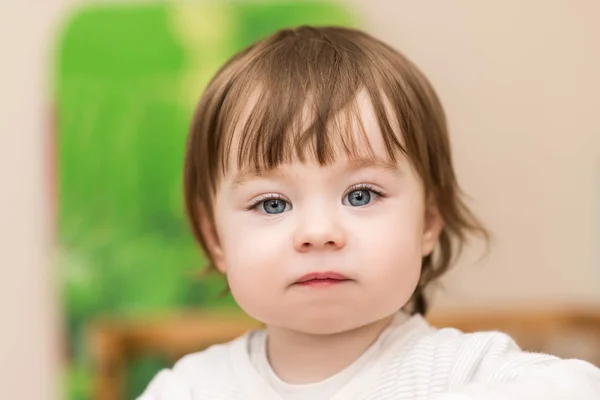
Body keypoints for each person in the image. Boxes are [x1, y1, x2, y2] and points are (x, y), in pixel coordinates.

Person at [139, 26, 600, 399]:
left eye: (360, 195)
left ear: (428, 222)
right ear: (216, 239)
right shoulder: (192, 386)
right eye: (272, 203)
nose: (318, 233)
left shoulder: (462, 371)